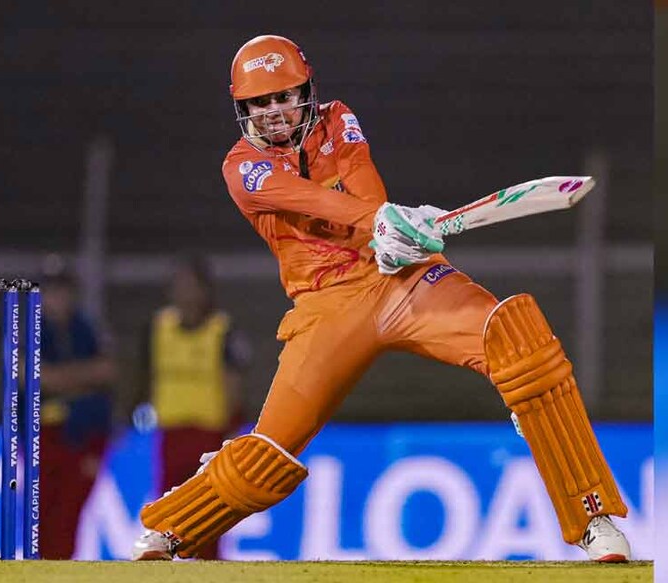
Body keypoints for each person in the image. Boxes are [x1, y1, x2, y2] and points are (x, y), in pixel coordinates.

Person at [131, 35, 630, 563]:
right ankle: (172, 526)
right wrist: (377, 220)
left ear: (307, 90)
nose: (276, 111)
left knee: (520, 343)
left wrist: (392, 229)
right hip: (326, 308)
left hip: (401, 279)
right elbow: (302, 196)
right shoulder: (240, 167)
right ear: (243, 108)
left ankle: (592, 517)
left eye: (286, 96)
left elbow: (363, 181)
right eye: (262, 101)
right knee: (268, 454)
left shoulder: (338, 118)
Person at [132, 254, 250, 560]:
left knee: (209, 516)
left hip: (209, 437)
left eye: (192, 286)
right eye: (180, 286)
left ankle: (208, 571)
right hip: (170, 434)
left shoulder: (222, 330)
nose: (186, 293)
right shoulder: (158, 327)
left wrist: (231, 429)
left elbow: (234, 382)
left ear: (205, 290)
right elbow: (144, 375)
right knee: (168, 514)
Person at [37, 258, 118, 559]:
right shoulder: (29, 330)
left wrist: (59, 378)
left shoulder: (88, 329)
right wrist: (82, 378)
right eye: (51, 291)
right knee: (40, 512)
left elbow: (108, 372)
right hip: (42, 436)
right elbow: (30, 376)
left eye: (62, 290)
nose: (57, 298)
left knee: (70, 512)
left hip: (83, 437)